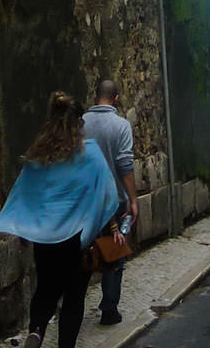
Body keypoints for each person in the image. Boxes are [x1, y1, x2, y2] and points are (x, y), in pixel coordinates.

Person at [0, 92, 121, 348]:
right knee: (73, 297)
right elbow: (107, 194)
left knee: (46, 289)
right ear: (78, 123)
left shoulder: (39, 157)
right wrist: (109, 227)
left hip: (45, 239)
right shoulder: (91, 155)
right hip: (78, 239)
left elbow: (25, 194)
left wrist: (24, 229)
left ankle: (37, 330)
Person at [83, 78, 139, 326]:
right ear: (116, 98)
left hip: (83, 200)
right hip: (113, 200)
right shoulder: (121, 125)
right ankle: (109, 309)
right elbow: (124, 165)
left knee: (83, 251)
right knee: (113, 251)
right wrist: (133, 199)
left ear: (96, 97)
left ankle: (74, 301)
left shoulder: (80, 123)